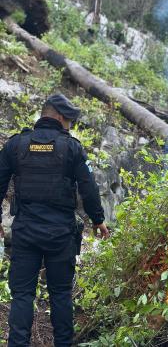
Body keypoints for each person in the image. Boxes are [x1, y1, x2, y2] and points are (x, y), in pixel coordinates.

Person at [0, 94, 109, 347]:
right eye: (69, 119)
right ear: (59, 117)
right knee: (60, 294)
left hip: (25, 231)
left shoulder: (16, 145)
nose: (70, 124)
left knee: (22, 296)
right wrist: (98, 219)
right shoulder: (71, 147)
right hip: (60, 234)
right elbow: (88, 187)